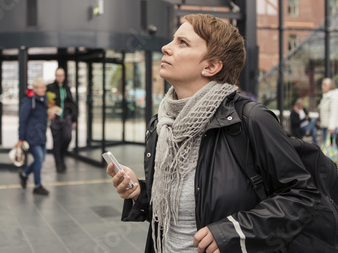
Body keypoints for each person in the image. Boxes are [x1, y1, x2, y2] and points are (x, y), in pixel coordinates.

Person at [106, 14, 320, 253]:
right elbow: (175, 211)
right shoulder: (163, 124)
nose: (166, 48)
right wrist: (139, 193)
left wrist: (234, 231)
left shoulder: (250, 119)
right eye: (172, 40)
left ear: (211, 66)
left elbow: (303, 197)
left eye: (182, 43)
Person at [17, 78, 50, 195]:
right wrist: (21, 138)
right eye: (41, 87)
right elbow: (22, 120)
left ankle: (24, 173)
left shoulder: (43, 99)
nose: (43, 90)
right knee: (39, 159)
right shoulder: (29, 101)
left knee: (40, 160)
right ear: (34, 89)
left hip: (41, 135)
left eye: (44, 87)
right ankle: (37, 185)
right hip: (31, 136)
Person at [47, 67, 77, 173]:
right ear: (55, 76)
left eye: (62, 75)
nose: (60, 77)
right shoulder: (50, 87)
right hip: (55, 119)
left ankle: (62, 156)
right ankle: (59, 164)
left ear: (64, 77)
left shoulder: (66, 88)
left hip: (66, 118)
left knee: (67, 137)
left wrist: (74, 119)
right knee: (57, 142)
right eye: (58, 75)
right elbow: (47, 101)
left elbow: (72, 103)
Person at [318, 77, 338, 147]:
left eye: (324, 85)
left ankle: (330, 158)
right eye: (322, 84)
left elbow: (334, 112)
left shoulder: (334, 96)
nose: (322, 87)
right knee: (325, 147)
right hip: (325, 125)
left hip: (330, 127)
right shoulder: (325, 96)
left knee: (329, 147)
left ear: (330, 86)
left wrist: (331, 127)